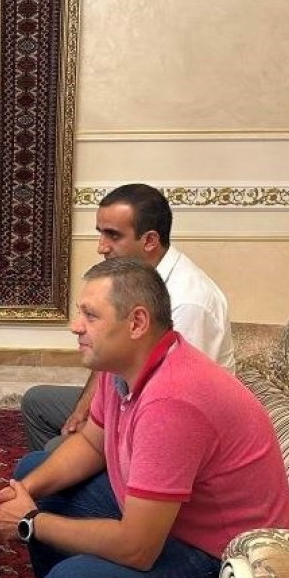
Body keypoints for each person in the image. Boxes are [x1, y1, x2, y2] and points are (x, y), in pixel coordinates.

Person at [0, 258, 289, 578]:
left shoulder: (172, 401)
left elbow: (138, 548)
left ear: (137, 322)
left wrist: (29, 522)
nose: (76, 326)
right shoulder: (124, 366)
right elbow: (92, 443)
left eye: (91, 316)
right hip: (171, 522)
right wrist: (21, 494)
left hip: (226, 558)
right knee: (33, 472)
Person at [22, 183, 233, 452]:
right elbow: (112, 356)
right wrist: (85, 407)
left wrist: (94, 430)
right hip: (130, 398)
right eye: (100, 233)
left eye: (113, 235)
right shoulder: (134, 279)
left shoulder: (189, 302)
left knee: (55, 450)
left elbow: (176, 402)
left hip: (169, 423)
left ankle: (89, 475)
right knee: (37, 403)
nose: (101, 247)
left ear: (150, 241)